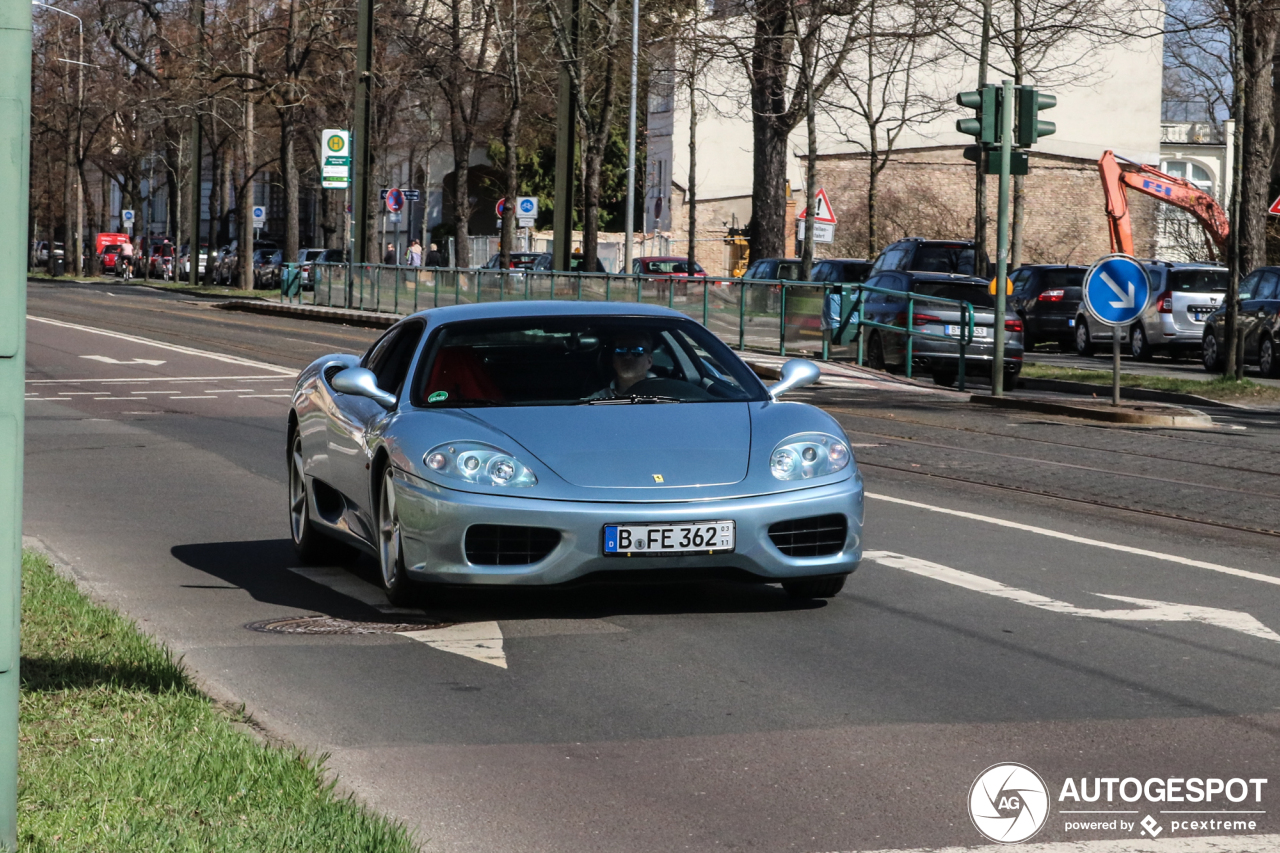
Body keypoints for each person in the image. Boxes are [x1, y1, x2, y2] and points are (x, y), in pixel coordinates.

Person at [587, 331, 658, 399]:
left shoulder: (663, 394)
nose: (627, 356)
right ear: (613, 361)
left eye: (637, 350)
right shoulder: (597, 401)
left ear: (649, 361)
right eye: (621, 350)